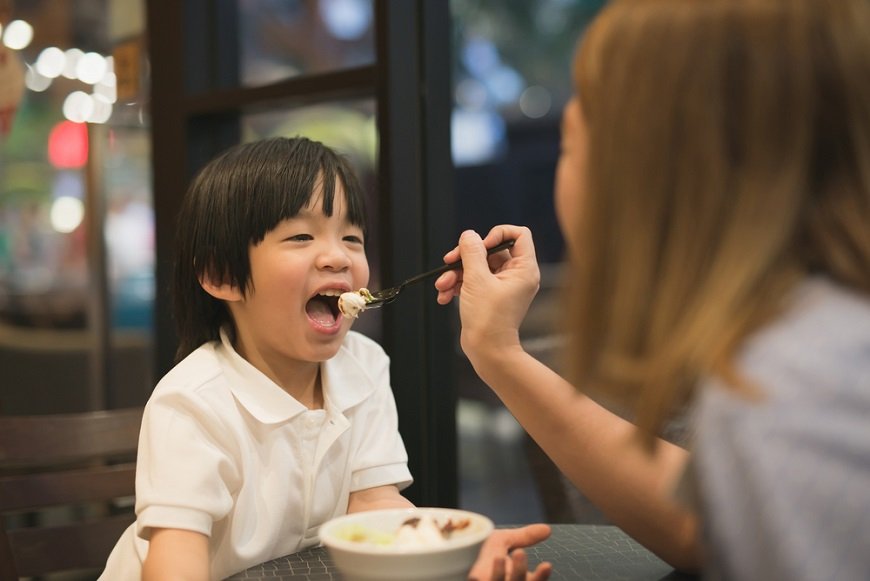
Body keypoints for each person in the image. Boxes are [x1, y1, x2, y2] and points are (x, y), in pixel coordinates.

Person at [440, 0, 870, 579]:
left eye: (570, 141)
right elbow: (719, 520)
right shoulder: (814, 348)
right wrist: (497, 351)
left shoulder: (789, 397)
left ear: (647, 174)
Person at [100, 136, 416, 580]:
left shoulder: (364, 364)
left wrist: (447, 553)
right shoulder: (191, 403)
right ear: (222, 275)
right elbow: (176, 563)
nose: (337, 256)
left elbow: (374, 504)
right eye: (302, 236)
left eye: (351, 237)